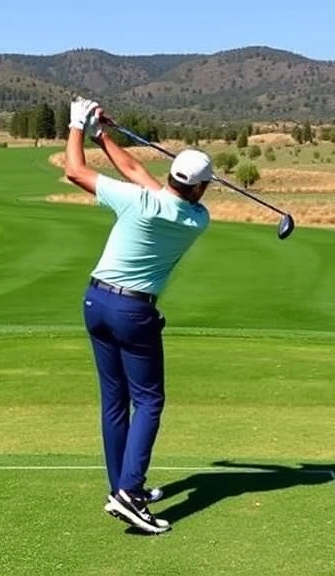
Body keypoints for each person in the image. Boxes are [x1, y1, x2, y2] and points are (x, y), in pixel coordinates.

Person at [62, 97, 213, 535]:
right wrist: (101, 134)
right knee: (148, 401)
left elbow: (78, 171)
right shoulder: (197, 218)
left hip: (95, 302)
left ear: (172, 177)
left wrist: (80, 127)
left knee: (114, 401)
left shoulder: (138, 201)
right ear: (200, 189)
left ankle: (122, 488)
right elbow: (136, 174)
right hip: (134, 311)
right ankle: (130, 493)